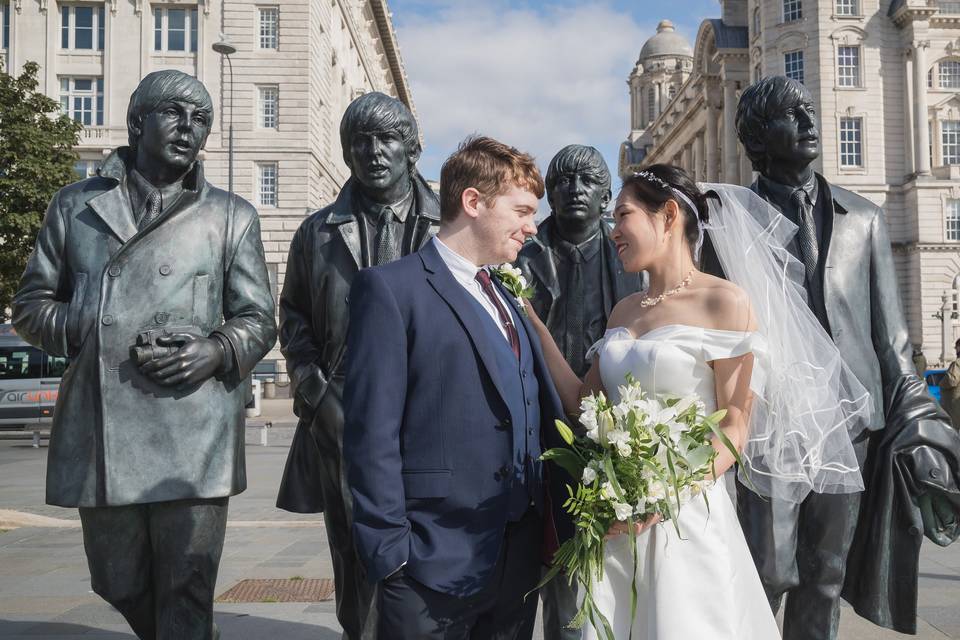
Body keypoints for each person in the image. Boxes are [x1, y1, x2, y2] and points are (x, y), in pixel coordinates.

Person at [12, 70, 277, 639]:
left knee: (188, 584)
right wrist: (89, 319)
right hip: (104, 429)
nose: (190, 128)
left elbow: (259, 319)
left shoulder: (230, 216)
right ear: (137, 122)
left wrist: (215, 349)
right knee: (117, 579)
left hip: (196, 427)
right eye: (176, 113)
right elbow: (30, 306)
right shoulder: (75, 206)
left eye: (201, 119)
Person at [698, 75, 954, 639]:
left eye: (811, 112)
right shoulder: (725, 222)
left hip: (851, 424)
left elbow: (891, 340)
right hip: (767, 425)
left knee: (826, 574)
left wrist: (921, 425)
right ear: (761, 137)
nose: (812, 125)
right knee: (764, 570)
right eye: (794, 116)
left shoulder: (863, 217)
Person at [528, 164, 781, 639]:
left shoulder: (724, 302)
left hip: (684, 515)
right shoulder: (625, 310)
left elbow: (735, 425)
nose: (613, 229)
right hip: (614, 521)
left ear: (667, 216)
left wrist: (662, 497)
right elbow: (583, 402)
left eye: (623, 215)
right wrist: (530, 320)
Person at [342, 135, 568, 639]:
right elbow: (369, 432)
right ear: (472, 202)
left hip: (516, 558)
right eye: (522, 211)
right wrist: (390, 554)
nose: (533, 227)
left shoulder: (507, 293)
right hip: (427, 562)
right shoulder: (391, 289)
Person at [275, 91, 440, 639]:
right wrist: (311, 386)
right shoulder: (315, 233)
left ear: (412, 148)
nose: (373, 151)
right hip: (342, 407)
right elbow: (293, 314)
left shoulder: (450, 228)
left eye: (386, 138)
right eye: (359, 141)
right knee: (354, 547)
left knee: (431, 540)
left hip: (432, 404)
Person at [515, 143, 643, 638]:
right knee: (542, 565)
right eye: (564, 181)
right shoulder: (525, 253)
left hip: (607, 429)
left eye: (587, 181)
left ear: (607, 193)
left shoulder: (630, 255)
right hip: (536, 423)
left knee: (600, 568)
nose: (574, 191)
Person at [939, 339, 960, 428]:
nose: (955, 349)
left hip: (955, 405)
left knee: (953, 433)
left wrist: (941, 384)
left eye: (956, 347)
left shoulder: (957, 363)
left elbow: (952, 380)